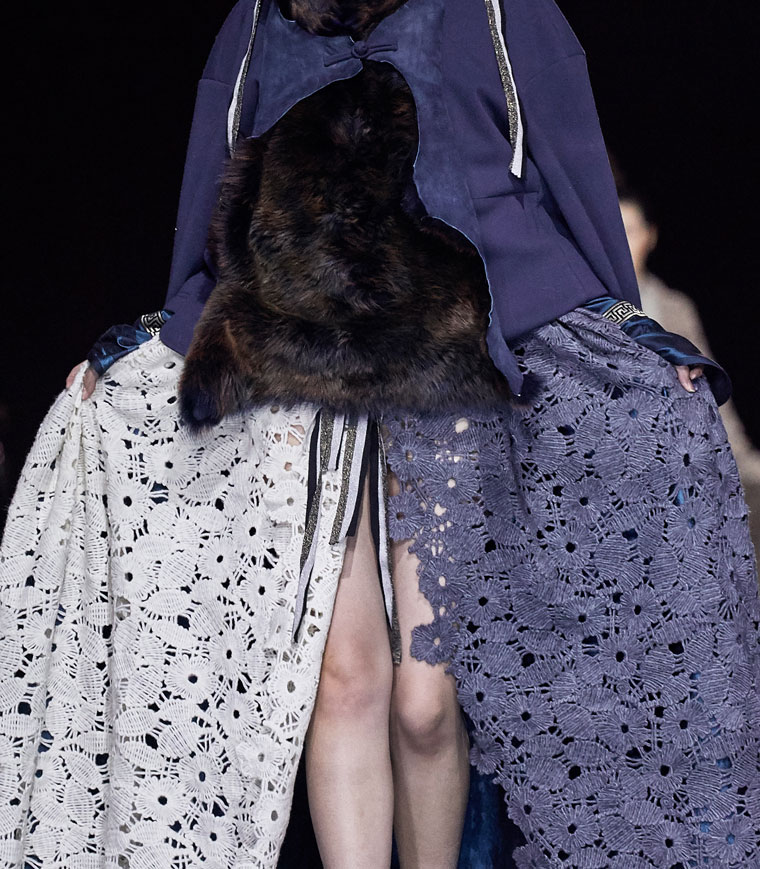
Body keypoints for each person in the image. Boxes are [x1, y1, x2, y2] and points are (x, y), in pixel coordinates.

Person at [2, 1, 759, 867]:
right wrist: (152, 340)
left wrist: (626, 335)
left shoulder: (502, 10)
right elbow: (217, 220)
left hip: (450, 366)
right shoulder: (260, 20)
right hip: (305, 379)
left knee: (425, 706)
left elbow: (571, 182)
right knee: (345, 682)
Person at [620, 187, 760, 556]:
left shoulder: (674, 307)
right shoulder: (586, 313)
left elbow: (710, 388)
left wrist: (744, 458)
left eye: (631, 231)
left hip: (678, 464)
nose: (623, 243)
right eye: (614, 232)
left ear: (650, 236)